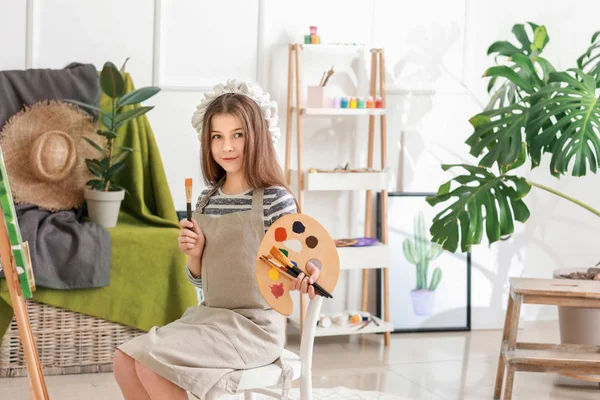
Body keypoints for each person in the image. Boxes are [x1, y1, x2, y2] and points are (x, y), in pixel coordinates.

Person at [112, 79, 320, 399]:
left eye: (238, 135)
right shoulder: (207, 199)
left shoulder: (274, 199)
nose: (227, 147)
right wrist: (194, 256)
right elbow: (201, 281)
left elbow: (301, 261)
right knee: (124, 359)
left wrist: (308, 275)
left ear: (257, 137)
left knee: (152, 365)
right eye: (217, 137)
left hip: (254, 328)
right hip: (209, 318)